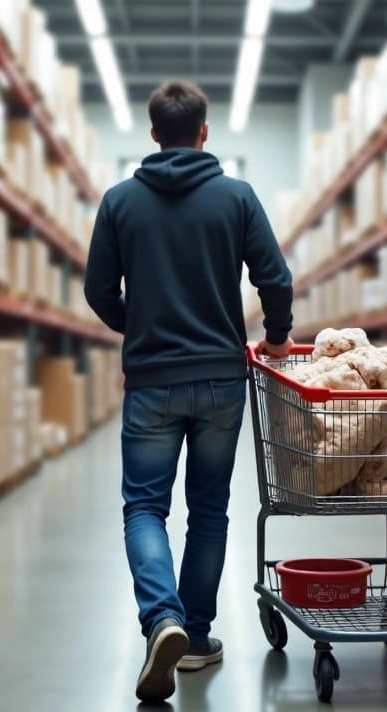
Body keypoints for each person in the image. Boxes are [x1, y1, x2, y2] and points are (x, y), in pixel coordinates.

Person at [84, 80, 294, 703]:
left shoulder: (119, 202)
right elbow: (274, 279)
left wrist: (139, 326)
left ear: (153, 135)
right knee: (209, 509)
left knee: (144, 507)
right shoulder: (236, 197)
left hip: (151, 381)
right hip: (221, 383)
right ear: (205, 131)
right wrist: (278, 338)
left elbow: (99, 292)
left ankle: (162, 620)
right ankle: (195, 638)